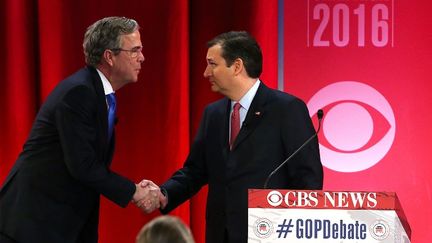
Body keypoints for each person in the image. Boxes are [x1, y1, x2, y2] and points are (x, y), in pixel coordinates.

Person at [142, 31, 324, 243]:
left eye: (212, 64)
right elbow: (195, 170)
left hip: (268, 234)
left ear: (237, 66)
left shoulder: (287, 109)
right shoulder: (214, 114)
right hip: (221, 235)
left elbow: (308, 179)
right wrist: (164, 194)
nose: (205, 72)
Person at [0, 17, 160, 243]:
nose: (142, 58)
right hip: (32, 223)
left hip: (58, 222)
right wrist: (133, 191)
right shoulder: (79, 93)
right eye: (135, 50)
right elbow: (83, 165)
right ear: (109, 56)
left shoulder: (97, 94)